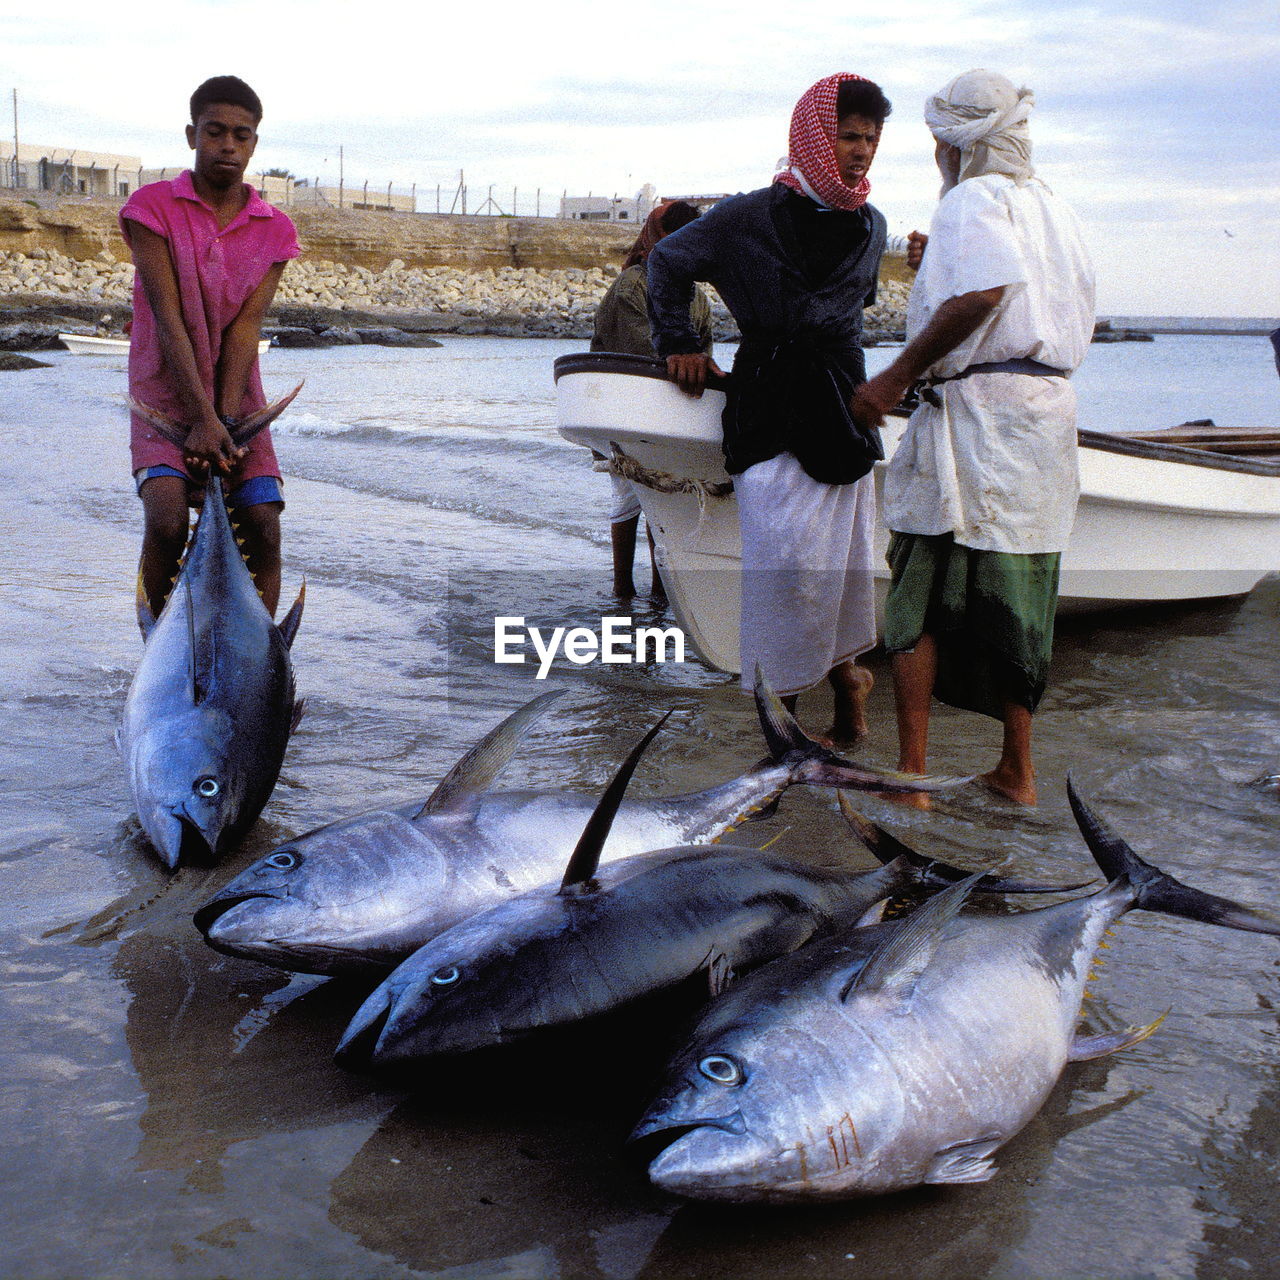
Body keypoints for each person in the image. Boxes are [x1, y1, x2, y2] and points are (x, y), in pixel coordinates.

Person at [850, 69, 1095, 804]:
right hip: (1044, 416)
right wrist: (941, 267)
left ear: (953, 143)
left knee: (919, 595)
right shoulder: (1055, 208)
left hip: (976, 417)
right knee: (1020, 598)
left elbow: (987, 294)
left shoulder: (970, 199)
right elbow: (1028, 295)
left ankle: (914, 776)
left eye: (937, 144)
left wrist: (894, 377)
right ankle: (1017, 770)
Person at [646, 74, 890, 743]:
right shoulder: (746, 216)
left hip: (843, 408)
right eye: (848, 136)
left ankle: (848, 690)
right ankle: (783, 739)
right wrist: (679, 345)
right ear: (816, 137)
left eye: (871, 138)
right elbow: (665, 263)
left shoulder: (873, 226)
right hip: (768, 405)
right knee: (781, 571)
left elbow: (855, 312)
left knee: (840, 572)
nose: (861, 150)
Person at [122, 75, 300, 620]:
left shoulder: (275, 227)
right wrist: (200, 419)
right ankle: (157, 653)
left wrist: (222, 419)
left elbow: (247, 330)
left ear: (254, 143)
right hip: (165, 394)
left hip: (237, 398)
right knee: (169, 521)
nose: (228, 146)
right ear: (191, 134)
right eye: (215, 132)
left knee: (264, 525)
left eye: (242, 136)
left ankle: (259, 664)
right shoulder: (151, 208)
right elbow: (168, 318)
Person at [591, 199, 713, 599]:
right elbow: (637, 351)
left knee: (659, 496)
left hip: (666, 411)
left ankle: (662, 592)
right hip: (623, 409)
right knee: (629, 495)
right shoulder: (632, 286)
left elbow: (705, 351)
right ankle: (622, 589)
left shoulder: (695, 296)